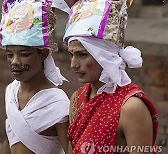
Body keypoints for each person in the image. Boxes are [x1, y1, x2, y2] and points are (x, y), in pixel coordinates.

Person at [63, 0, 159, 153]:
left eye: (82, 55)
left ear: (104, 56)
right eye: (71, 55)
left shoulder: (131, 107)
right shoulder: (77, 98)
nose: (73, 64)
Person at [0, 0, 70, 153]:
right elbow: (11, 137)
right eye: (10, 55)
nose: (15, 62)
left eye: (24, 54)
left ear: (43, 54)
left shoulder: (58, 105)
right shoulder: (11, 91)